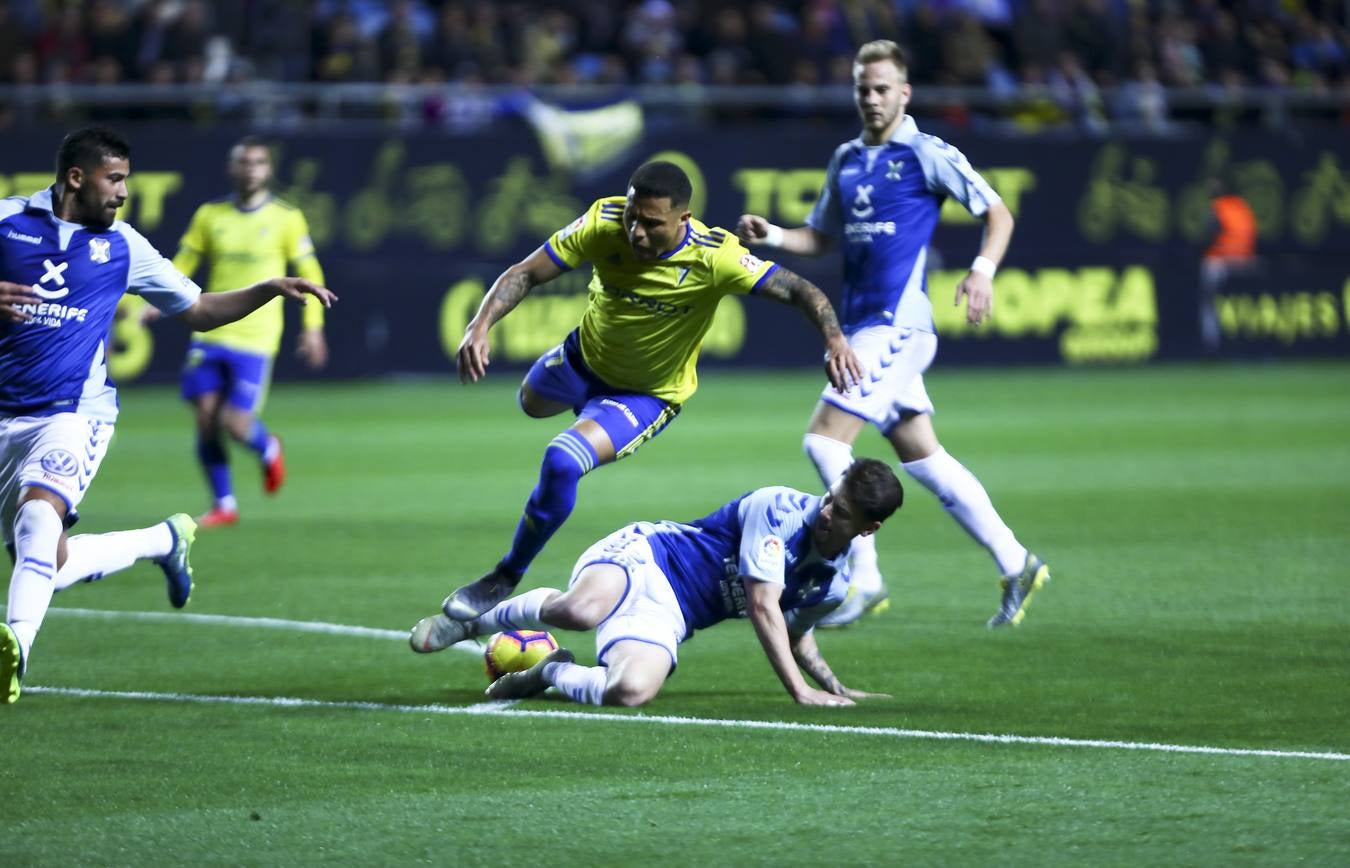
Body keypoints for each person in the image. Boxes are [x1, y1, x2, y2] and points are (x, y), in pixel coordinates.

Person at [422, 160, 862, 626]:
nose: (636, 232)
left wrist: (834, 339)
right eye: (633, 217)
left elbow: (801, 291)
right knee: (529, 403)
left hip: (646, 394)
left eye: (651, 223)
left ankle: (504, 576)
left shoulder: (717, 257)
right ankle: (586, 405)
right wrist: (481, 324)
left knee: (561, 461)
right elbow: (526, 272)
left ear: (683, 220)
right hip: (581, 359)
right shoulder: (603, 221)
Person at [0, 126, 336, 704]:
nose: (123, 193)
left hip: (74, 414)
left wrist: (269, 288)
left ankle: (15, 654)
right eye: (115, 179)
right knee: (45, 562)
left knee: (39, 519)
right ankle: (162, 540)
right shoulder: (6, 220)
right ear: (76, 178)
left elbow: (201, 308)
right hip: (6, 412)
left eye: (127, 180)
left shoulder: (125, 246)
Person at [736, 39, 1048, 630]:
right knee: (925, 458)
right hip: (865, 327)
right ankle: (1016, 561)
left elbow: (997, 215)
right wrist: (775, 234)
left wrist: (982, 272)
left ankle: (865, 579)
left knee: (824, 443)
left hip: (897, 326)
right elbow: (823, 237)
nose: (872, 99)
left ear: (905, 93)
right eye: (863, 89)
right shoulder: (846, 159)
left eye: (882, 89)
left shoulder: (928, 154)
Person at [412, 458, 903, 708]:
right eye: (830, 498)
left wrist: (833, 685)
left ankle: (549, 672)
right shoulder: (780, 509)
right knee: (580, 611)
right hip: (650, 556)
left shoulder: (832, 588)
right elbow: (762, 605)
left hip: (671, 614)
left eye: (841, 512)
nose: (826, 511)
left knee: (632, 692)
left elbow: (797, 632)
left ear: (868, 528)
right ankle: (473, 621)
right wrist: (799, 692)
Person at [160, 136, 330, 528]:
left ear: (268, 170)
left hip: (257, 337)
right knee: (205, 418)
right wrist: (149, 302)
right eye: (244, 162)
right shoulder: (210, 215)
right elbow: (183, 262)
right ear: (232, 169)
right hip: (211, 331)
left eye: (258, 162)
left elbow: (310, 273)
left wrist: (313, 328)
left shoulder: (287, 218)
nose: (251, 169)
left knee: (234, 424)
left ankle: (267, 445)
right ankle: (224, 503)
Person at [1199, 175, 1257, 353]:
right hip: (1246, 261)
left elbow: (1209, 234)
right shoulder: (1241, 205)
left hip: (1222, 262)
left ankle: (1211, 342)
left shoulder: (1217, 207)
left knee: (1207, 300)